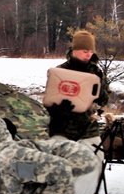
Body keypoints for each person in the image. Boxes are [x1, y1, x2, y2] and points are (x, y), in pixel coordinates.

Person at [46, 29, 110, 165]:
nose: (88, 55)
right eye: (85, 51)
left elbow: (105, 100)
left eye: (91, 52)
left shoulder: (96, 72)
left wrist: (102, 95)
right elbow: (49, 100)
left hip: (88, 128)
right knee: (58, 164)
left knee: (96, 160)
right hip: (62, 128)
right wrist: (57, 111)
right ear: (74, 49)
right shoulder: (60, 71)